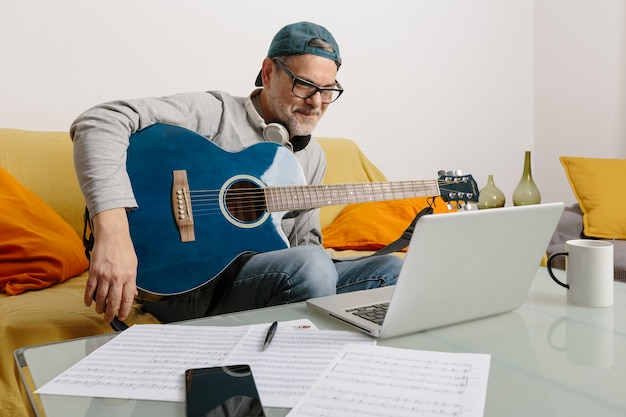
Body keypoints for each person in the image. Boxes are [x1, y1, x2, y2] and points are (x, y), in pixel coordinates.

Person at [71, 21, 403, 324]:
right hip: (182, 281)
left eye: (328, 90)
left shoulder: (312, 156)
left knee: (394, 271)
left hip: (267, 279)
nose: (316, 102)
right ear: (269, 72)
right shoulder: (215, 112)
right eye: (304, 85)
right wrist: (113, 232)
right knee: (311, 265)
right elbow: (99, 121)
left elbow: (304, 250)